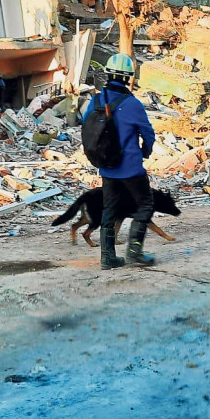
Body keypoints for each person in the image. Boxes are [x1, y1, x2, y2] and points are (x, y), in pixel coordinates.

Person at [83, 53, 156, 270]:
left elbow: (86, 128)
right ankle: (134, 252)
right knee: (145, 204)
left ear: (107, 74)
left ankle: (107, 258)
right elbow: (148, 134)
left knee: (109, 210)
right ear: (128, 78)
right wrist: (145, 151)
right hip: (131, 167)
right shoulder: (133, 104)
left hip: (107, 167)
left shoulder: (95, 101)